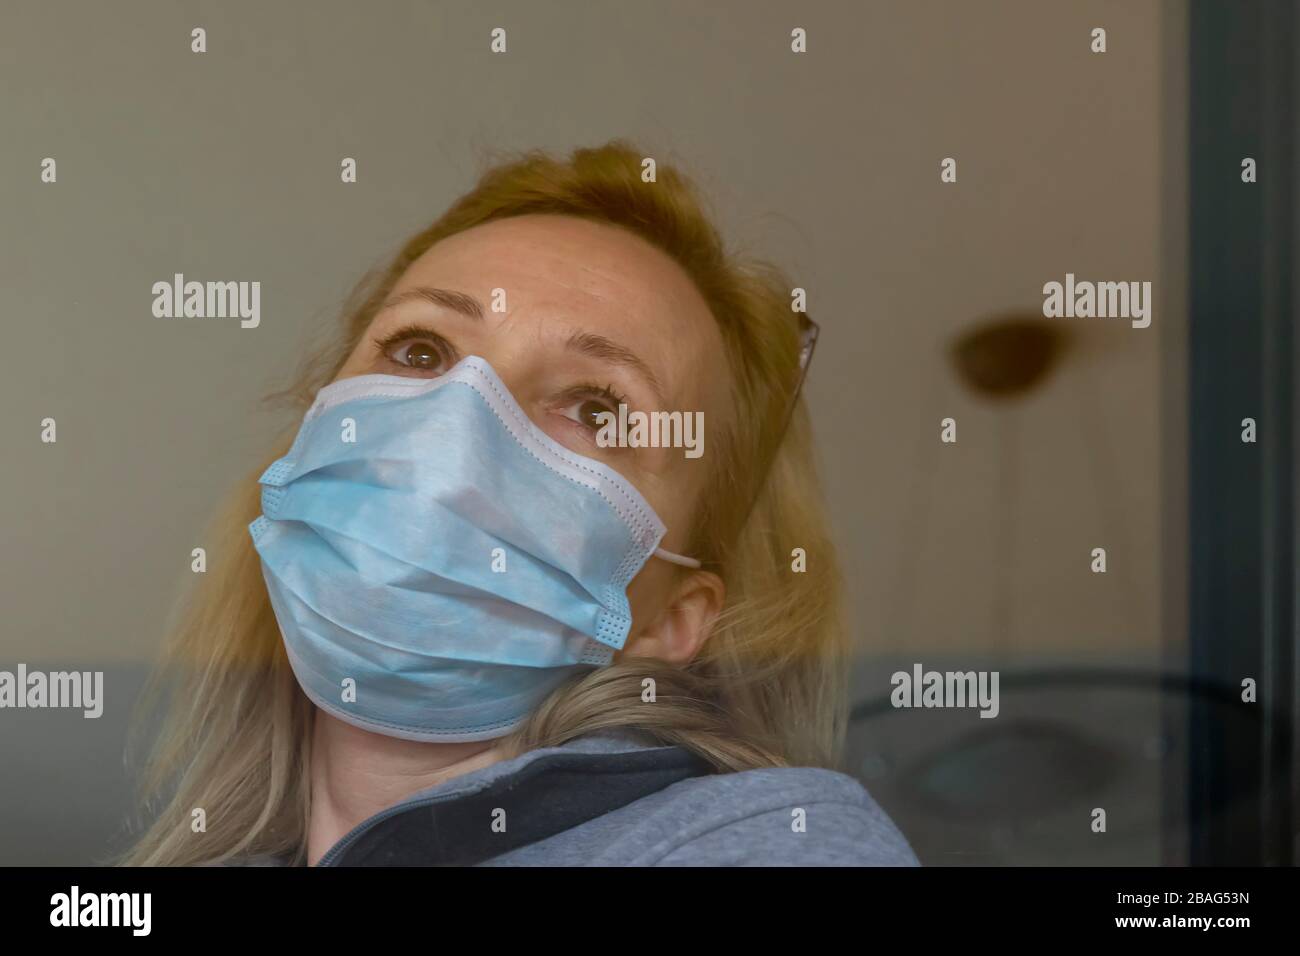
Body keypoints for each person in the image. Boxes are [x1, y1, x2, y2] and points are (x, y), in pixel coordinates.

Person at [122, 140, 917, 867]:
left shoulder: (768, 844)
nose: (458, 424)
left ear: (671, 617)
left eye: (598, 409)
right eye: (420, 349)